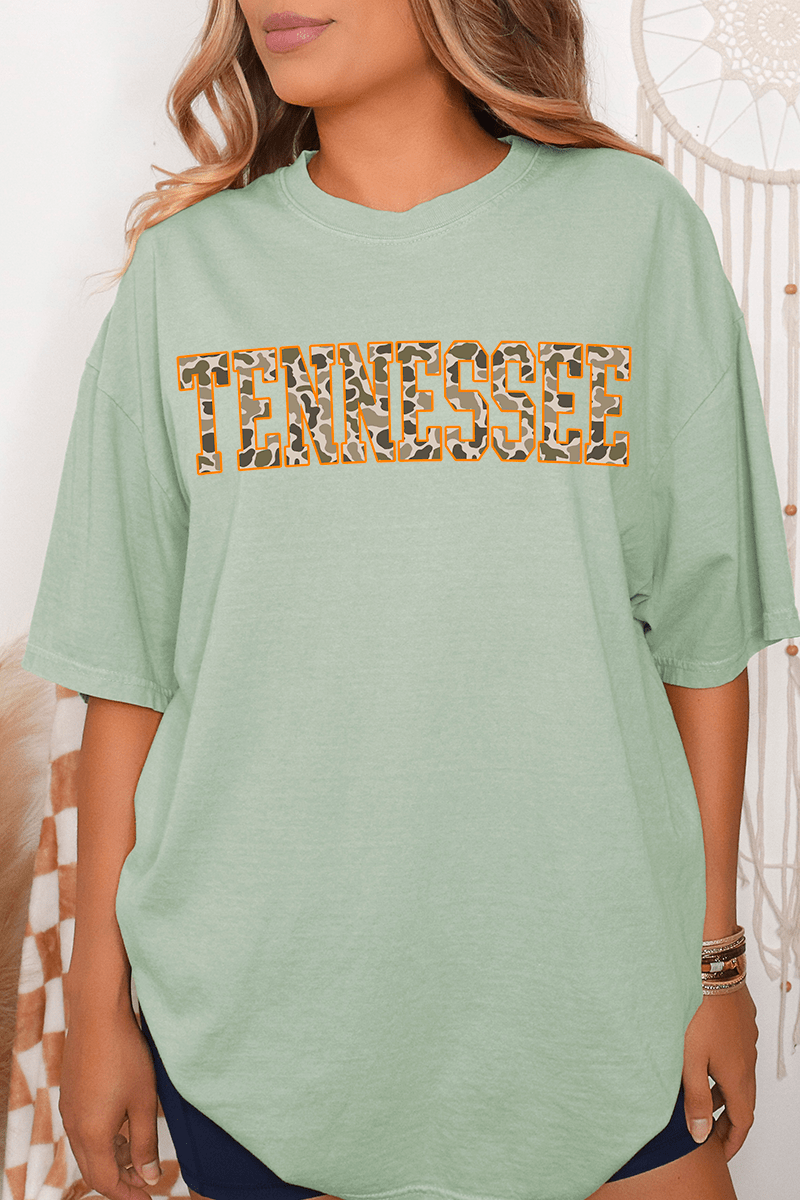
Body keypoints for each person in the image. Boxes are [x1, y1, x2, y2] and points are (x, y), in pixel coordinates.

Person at [21, 0, 800, 1198]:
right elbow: (130, 676)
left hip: (592, 983)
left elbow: (701, 643)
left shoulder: (632, 232)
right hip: (260, 1013)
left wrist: (714, 967)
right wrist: (95, 1007)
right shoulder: (189, 271)